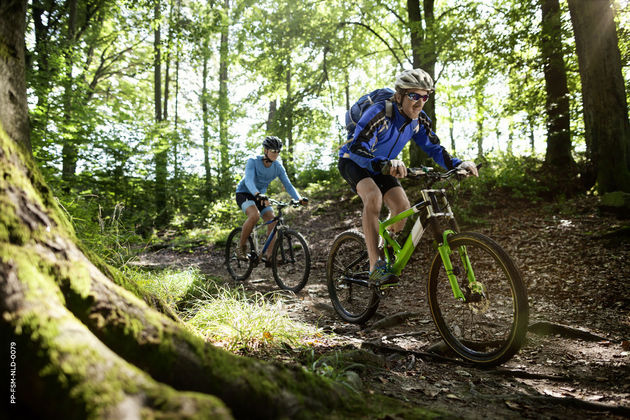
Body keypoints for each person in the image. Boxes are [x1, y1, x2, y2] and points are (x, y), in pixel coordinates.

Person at [338, 68, 478, 287]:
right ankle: (376, 265)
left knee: (403, 206)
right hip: (354, 161)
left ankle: (383, 246)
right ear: (399, 96)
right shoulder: (380, 112)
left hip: (385, 165)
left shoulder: (419, 120)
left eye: (425, 96)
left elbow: (434, 148)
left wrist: (458, 164)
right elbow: (357, 146)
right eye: (414, 95)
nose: (419, 102)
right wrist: (383, 163)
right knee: (373, 196)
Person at [235, 136, 308, 264]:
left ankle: (270, 257)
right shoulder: (253, 161)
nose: (276, 154)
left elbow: (288, 186)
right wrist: (257, 194)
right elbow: (249, 180)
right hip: (245, 192)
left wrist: (299, 198)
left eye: (278, 151)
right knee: (254, 215)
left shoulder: (278, 167)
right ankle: (241, 247)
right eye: (273, 151)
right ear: (265, 150)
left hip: (261, 195)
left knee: (272, 220)